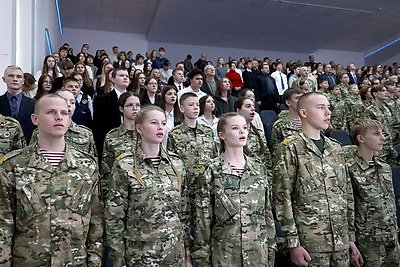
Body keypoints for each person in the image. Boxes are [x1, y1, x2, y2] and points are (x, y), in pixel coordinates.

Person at [0, 93, 103, 266]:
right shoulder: (13, 165)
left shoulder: (87, 166)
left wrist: (94, 261)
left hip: (74, 262)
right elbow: (4, 226)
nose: (59, 117)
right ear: (35, 119)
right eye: (51, 112)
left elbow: (96, 223)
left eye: (64, 113)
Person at [273, 92, 363, 267]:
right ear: (304, 113)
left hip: (341, 241)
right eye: (321, 107)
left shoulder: (336, 148)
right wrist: (293, 243)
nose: (328, 112)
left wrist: (350, 238)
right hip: (310, 243)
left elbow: (347, 195)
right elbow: (282, 197)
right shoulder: (289, 147)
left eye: (328, 107)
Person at [105, 105, 192, 266]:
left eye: (163, 123)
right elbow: (115, 215)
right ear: (139, 128)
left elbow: (184, 212)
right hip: (140, 254)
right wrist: (118, 257)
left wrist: (187, 254)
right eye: (154, 123)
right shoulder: (125, 165)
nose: (160, 127)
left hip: (174, 252)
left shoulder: (176, 164)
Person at [192, 112, 275, 266]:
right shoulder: (211, 171)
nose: (242, 131)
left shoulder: (258, 168)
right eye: (235, 128)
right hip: (225, 256)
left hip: (258, 253)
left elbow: (266, 214)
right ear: (222, 135)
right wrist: (203, 259)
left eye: (244, 127)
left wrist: (270, 249)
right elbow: (202, 221)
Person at [345, 119, 399, 266]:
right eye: (376, 134)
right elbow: (348, 208)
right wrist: (351, 242)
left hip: (391, 235)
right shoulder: (350, 169)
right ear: (361, 138)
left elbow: (390, 202)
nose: (383, 138)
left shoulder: (384, 167)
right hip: (368, 241)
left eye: (381, 133)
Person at [168, 93, 218, 224]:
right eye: (191, 105)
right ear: (182, 108)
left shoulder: (207, 131)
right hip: (187, 189)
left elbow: (214, 157)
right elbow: (172, 163)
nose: (195, 108)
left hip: (207, 188)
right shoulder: (175, 134)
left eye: (197, 105)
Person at [101, 91, 141, 199]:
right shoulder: (112, 136)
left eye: (137, 105)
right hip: (119, 193)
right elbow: (106, 169)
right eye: (130, 105)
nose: (135, 108)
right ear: (121, 109)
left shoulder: (146, 134)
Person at [93, 68, 129, 159]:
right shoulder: (103, 99)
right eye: (121, 75)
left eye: (127, 76)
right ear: (113, 79)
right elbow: (98, 127)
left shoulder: (135, 99)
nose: (125, 78)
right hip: (112, 144)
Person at [0, 65, 35, 144]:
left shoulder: (33, 104)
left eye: (19, 77)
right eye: (11, 76)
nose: (15, 79)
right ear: (4, 79)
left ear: (23, 81)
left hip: (27, 148)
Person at [235, 97, 272, 170]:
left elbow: (267, 159)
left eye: (253, 106)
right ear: (238, 110)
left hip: (259, 176)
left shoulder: (259, 133)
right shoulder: (233, 134)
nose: (253, 109)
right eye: (248, 106)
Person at [271, 88, 303, 152]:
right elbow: (276, 151)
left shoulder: (311, 121)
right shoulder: (280, 125)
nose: (302, 101)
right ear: (288, 102)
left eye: (302, 98)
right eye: (297, 98)